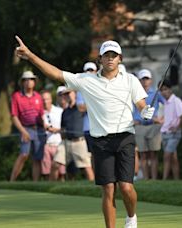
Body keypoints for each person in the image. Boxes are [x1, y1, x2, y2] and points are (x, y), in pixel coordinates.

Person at [15, 36, 154, 228]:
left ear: (120, 58)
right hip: (101, 141)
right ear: (100, 60)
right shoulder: (86, 80)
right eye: (107, 55)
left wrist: (145, 110)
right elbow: (56, 74)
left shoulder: (130, 80)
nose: (111, 59)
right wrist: (30, 56)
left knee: (126, 187)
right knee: (108, 188)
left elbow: (140, 104)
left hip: (124, 137)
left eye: (114, 55)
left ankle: (131, 218)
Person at [10, 71, 46, 182]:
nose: (28, 82)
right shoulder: (17, 96)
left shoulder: (38, 97)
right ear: (22, 82)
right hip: (25, 128)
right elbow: (14, 116)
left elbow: (41, 114)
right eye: (26, 80)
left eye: (31, 79)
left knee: (37, 158)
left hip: (38, 129)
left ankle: (35, 183)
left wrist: (45, 123)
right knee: (24, 154)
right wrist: (23, 131)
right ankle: (11, 181)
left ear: (34, 82)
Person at [133, 69, 163, 180]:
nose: (145, 81)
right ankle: (146, 179)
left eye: (147, 79)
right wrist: (132, 120)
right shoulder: (134, 94)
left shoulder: (156, 93)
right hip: (140, 126)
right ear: (139, 81)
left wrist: (162, 118)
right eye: (143, 79)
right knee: (143, 155)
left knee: (153, 154)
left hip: (153, 126)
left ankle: (154, 179)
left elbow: (168, 104)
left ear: (150, 80)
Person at [60, 89, 94, 181]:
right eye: (65, 94)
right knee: (57, 164)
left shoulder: (80, 107)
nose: (67, 96)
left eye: (69, 93)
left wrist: (77, 100)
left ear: (75, 94)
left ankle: (93, 187)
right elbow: (62, 128)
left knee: (86, 167)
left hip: (79, 141)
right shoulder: (65, 112)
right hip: (67, 142)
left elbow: (88, 106)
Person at [159, 80, 182, 180]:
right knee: (173, 158)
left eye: (165, 89)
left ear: (170, 89)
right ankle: (176, 180)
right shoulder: (165, 102)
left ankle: (164, 179)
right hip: (165, 133)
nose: (163, 92)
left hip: (173, 134)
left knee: (166, 156)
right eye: (161, 90)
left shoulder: (176, 100)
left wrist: (177, 127)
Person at [40, 90, 64, 181]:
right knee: (47, 171)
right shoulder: (41, 113)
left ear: (51, 100)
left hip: (59, 143)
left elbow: (64, 127)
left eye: (47, 99)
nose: (45, 101)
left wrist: (56, 130)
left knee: (61, 171)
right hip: (47, 144)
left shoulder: (59, 111)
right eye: (43, 99)